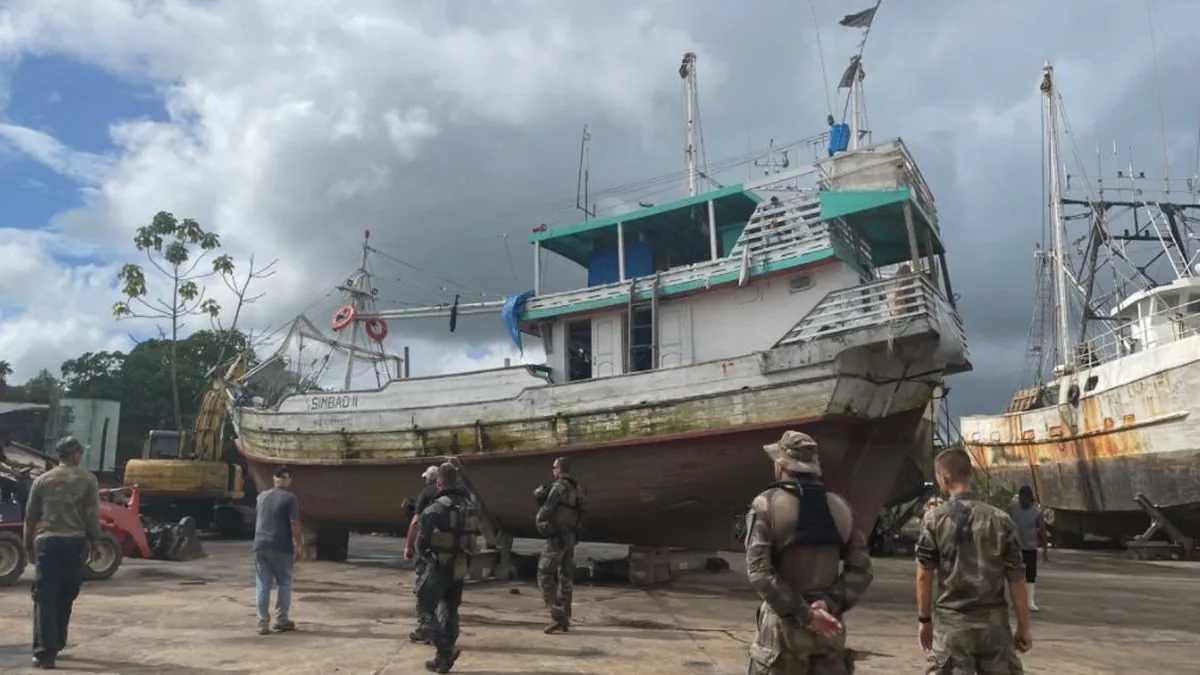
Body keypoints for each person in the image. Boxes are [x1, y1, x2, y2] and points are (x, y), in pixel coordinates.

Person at [745, 430, 874, 675]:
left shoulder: (766, 504)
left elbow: (759, 573)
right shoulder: (841, 508)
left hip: (780, 642)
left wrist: (805, 613)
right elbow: (862, 570)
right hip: (828, 637)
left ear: (780, 464)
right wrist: (828, 603)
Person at [916, 448, 1032, 674]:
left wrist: (924, 620)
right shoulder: (1001, 520)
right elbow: (1017, 578)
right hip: (995, 628)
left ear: (944, 478)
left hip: (952, 628)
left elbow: (924, 574)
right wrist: (1024, 627)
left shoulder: (934, 519)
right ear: (969, 474)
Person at [24, 436, 102, 670]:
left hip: (47, 542)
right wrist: (96, 543)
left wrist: (28, 547)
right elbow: (91, 517)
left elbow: (30, 518)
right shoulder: (88, 480)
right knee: (66, 595)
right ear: (76, 454)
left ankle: (45, 653)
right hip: (74, 543)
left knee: (45, 596)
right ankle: (56, 643)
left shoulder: (42, 480)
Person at [415, 462, 478, 673]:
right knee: (450, 609)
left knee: (425, 607)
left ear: (439, 481)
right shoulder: (469, 505)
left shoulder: (436, 507)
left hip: (440, 565)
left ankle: (445, 650)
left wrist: (426, 555)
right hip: (460, 564)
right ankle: (444, 657)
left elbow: (422, 543)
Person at [535, 455, 584, 634]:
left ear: (559, 469)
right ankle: (565, 617)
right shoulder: (578, 489)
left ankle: (557, 615)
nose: (553, 471)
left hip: (556, 538)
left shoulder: (558, 488)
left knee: (544, 573)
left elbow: (546, 511)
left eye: (554, 468)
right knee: (566, 578)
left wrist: (541, 524)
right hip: (570, 537)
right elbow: (581, 513)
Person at [252, 465, 302, 636]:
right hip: (281, 547)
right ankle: (281, 620)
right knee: (284, 583)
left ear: (273, 478)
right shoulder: (290, 498)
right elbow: (294, 524)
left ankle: (262, 623)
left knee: (263, 585)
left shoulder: (261, 497)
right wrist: (299, 544)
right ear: (290, 480)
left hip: (260, 546)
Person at [405, 465, 442, 644]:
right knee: (444, 593)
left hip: (427, 550)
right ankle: (443, 628)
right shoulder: (457, 495)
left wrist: (408, 546)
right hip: (450, 551)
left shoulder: (427, 493)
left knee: (422, 590)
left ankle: (425, 629)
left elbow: (415, 522)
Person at [1009, 486, 1048, 612]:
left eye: (1024, 498)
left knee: (1030, 574)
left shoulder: (1037, 512)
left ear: (1029, 498)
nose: (1022, 500)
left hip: (1030, 547)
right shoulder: (1013, 510)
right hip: (1015, 547)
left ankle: (1030, 601)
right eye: (1020, 498)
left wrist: (1044, 550)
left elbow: (1042, 531)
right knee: (1014, 574)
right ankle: (1014, 601)